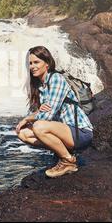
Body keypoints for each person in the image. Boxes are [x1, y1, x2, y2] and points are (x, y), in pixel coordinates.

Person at [15, 46, 93, 178]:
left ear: (47, 63)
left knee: (38, 126)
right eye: (30, 63)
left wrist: (28, 118)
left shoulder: (56, 79)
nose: (32, 66)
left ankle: (68, 161)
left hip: (80, 132)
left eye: (36, 62)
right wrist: (35, 114)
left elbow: (47, 116)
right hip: (65, 132)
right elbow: (43, 113)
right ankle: (63, 153)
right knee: (23, 133)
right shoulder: (41, 87)